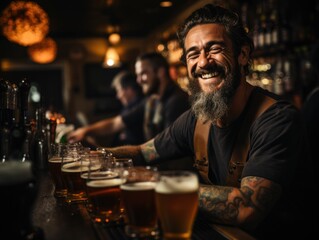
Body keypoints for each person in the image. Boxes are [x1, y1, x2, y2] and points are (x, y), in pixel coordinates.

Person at [101, 4, 315, 239]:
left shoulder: (277, 119)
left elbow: (246, 208)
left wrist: (152, 181)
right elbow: (143, 152)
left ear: (243, 54)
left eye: (214, 49)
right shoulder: (197, 118)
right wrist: (97, 159)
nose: (203, 62)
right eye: (193, 54)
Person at [68, 53, 190, 146]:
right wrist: (85, 131)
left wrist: (108, 153)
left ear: (160, 72)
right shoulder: (151, 100)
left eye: (143, 74)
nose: (138, 80)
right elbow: (115, 123)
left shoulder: (176, 101)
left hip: (175, 175)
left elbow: (168, 147)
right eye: (137, 75)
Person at [68, 70, 145, 146]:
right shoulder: (128, 107)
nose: (118, 96)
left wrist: (85, 131)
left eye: (119, 90)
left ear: (129, 89)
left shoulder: (139, 106)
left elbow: (113, 124)